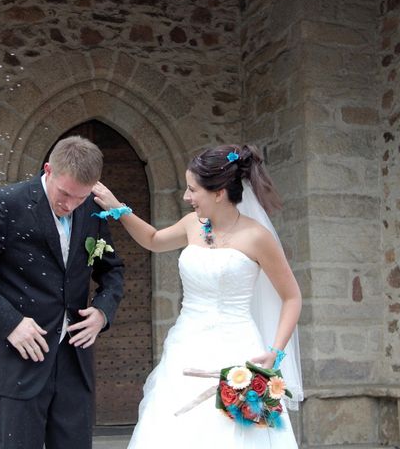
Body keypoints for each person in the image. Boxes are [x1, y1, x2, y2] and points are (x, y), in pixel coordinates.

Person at [92, 143, 303, 448]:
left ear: (218, 192)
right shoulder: (194, 224)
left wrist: (276, 353)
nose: (186, 197)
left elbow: (292, 297)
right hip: (186, 347)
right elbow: (152, 239)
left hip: (237, 351)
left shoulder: (257, 237)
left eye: (193, 190)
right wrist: (117, 206)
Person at [0, 135, 124, 449]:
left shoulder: (91, 208)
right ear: (48, 170)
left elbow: (112, 268)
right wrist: (9, 323)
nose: (70, 205)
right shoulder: (7, 204)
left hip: (74, 363)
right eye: (64, 194)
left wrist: (103, 311)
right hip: (20, 361)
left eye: (80, 198)